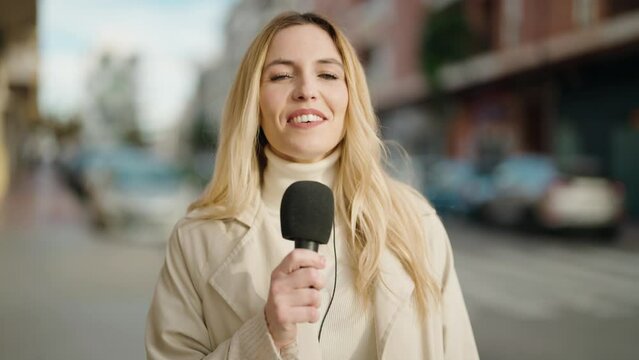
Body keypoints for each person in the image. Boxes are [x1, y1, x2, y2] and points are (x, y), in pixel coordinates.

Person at [145, 11, 479, 360]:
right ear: (253, 103)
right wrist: (266, 334)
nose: (306, 91)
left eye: (328, 74)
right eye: (282, 75)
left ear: (351, 96)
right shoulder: (196, 239)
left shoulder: (417, 222)